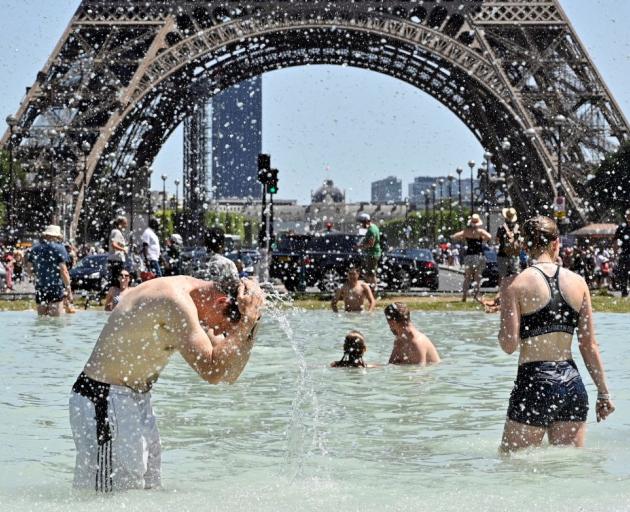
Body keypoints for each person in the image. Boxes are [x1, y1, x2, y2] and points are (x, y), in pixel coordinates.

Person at [69, 276, 264, 492]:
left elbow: (229, 373)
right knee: (111, 496)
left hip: (136, 399)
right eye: (224, 327)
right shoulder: (175, 300)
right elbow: (211, 372)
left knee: (146, 489)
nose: (218, 333)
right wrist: (245, 323)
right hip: (103, 397)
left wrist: (252, 325)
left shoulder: (200, 306)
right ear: (220, 302)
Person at [498, 216, 614, 453]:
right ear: (556, 243)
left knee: (512, 465)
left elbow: (509, 345)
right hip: (572, 383)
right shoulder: (579, 282)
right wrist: (603, 393)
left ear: (526, 245)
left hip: (534, 381)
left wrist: (504, 311)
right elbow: (589, 345)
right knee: (568, 469)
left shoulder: (516, 284)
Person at [27, 225, 72, 316]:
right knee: (56, 322)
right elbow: (64, 271)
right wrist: (68, 289)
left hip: (40, 287)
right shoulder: (60, 248)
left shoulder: (35, 248)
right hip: (55, 287)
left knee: (41, 320)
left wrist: (35, 279)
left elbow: (29, 269)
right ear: (57, 236)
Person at [452, 214, 492, 302]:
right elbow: (489, 237)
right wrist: (482, 238)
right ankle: (476, 296)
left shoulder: (466, 231)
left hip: (468, 256)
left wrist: (463, 237)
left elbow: (455, 236)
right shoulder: (480, 231)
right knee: (477, 277)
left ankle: (464, 296)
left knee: (467, 277)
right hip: (479, 256)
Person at [356, 213, 381, 290]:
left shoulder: (371, 230)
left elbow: (371, 244)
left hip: (372, 254)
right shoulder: (374, 227)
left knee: (371, 274)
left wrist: (359, 246)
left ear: (366, 221)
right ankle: (372, 289)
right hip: (373, 253)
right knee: (370, 273)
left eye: (362, 222)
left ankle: (373, 290)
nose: (361, 224)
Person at [495, 208, 520, 286]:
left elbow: (497, 241)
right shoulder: (517, 227)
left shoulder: (501, 227)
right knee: (515, 275)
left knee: (502, 275)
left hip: (502, 253)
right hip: (514, 254)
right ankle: (514, 292)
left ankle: (501, 293)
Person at [108, 216, 129, 286]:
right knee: (117, 281)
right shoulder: (116, 232)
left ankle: (115, 295)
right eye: (125, 223)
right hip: (116, 260)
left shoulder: (117, 232)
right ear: (120, 223)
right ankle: (114, 296)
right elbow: (114, 244)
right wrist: (123, 249)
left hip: (116, 259)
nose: (126, 226)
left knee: (117, 280)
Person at [614, 209, 630, 297]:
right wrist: (616, 253)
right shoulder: (621, 228)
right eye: (628, 215)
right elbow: (615, 241)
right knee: (623, 274)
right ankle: (624, 293)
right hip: (625, 254)